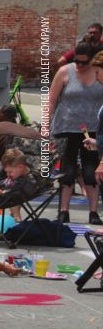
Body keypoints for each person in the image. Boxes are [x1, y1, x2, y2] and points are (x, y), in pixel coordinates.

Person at [48, 41, 103, 225]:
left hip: (93, 129)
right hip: (66, 128)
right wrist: (45, 127)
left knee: (90, 171)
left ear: (92, 60)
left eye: (83, 62)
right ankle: (64, 211)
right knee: (67, 171)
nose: (79, 65)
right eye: (76, 61)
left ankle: (93, 212)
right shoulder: (65, 71)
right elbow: (51, 100)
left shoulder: (99, 73)